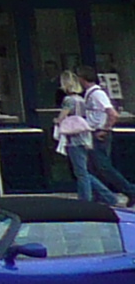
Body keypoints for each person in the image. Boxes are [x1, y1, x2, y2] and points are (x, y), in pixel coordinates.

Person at [53, 72, 135, 202]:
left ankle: (122, 192)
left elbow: (112, 113)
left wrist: (105, 129)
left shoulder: (94, 94)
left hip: (86, 136)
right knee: (90, 170)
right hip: (87, 136)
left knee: (94, 169)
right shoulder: (82, 98)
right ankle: (105, 197)